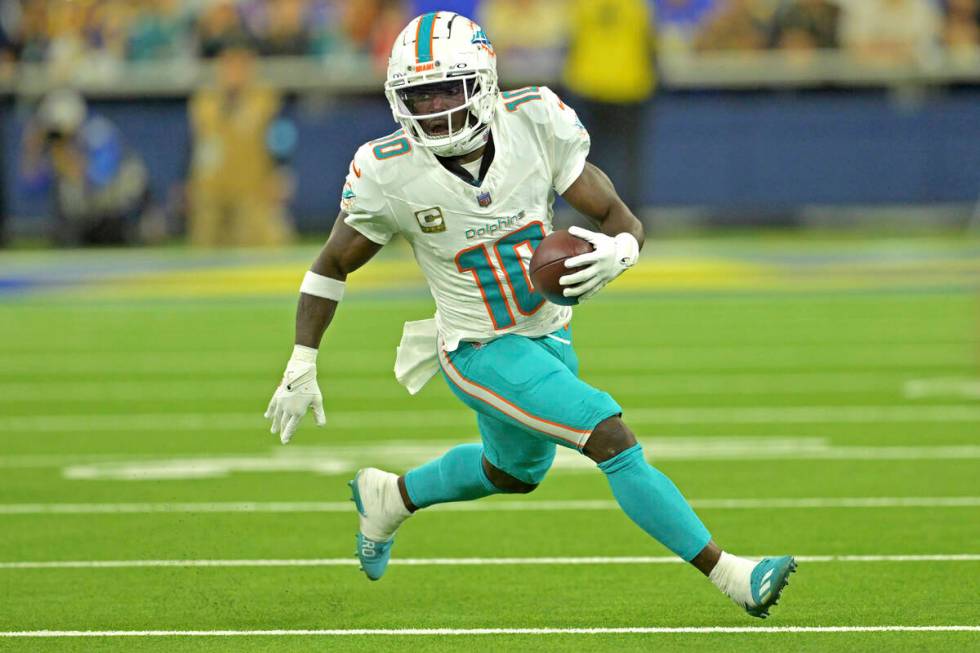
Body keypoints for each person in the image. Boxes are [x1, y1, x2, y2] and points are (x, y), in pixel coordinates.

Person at [264, 11, 796, 618]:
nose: (434, 110)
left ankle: (390, 497)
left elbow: (618, 215)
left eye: (447, 89)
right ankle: (732, 574)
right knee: (609, 436)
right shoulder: (387, 170)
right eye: (419, 95)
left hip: (547, 330)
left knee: (513, 470)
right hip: (477, 347)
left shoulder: (536, 120)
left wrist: (621, 251)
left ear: (485, 80)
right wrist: (303, 358)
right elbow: (333, 261)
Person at [187, 40, 292, 247]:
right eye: (229, 64)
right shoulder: (205, 102)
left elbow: (282, 139)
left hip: (252, 189)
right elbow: (195, 145)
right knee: (206, 248)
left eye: (240, 65)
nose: (234, 71)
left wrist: (281, 173)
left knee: (261, 246)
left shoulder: (265, 100)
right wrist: (188, 181)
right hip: (212, 189)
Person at [19, 89, 149, 246]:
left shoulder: (97, 133)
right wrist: (32, 152)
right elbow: (32, 188)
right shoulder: (57, 147)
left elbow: (101, 180)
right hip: (82, 218)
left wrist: (69, 162)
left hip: (116, 210)